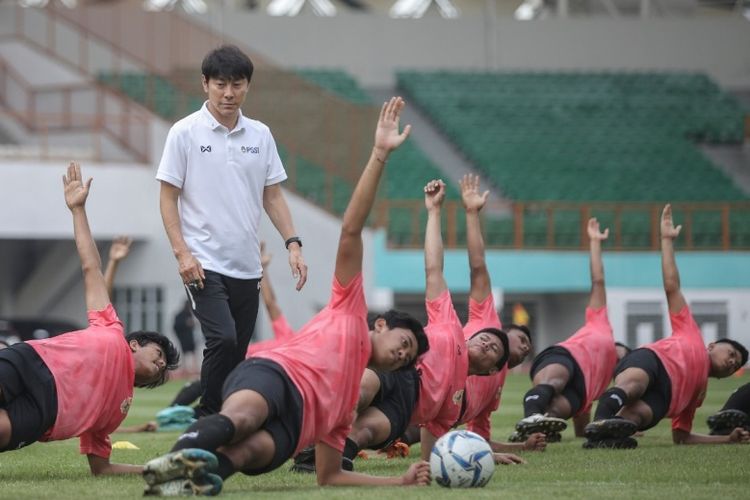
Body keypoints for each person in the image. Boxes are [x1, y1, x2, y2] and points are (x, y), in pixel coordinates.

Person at [141, 97, 431, 496]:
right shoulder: (349, 311)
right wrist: (379, 154)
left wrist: (398, 479)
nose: (403, 355)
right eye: (405, 343)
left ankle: (195, 480)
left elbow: (330, 476)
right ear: (380, 325)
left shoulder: (349, 404)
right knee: (245, 416)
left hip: (298, 419)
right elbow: (351, 229)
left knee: (258, 450)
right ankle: (180, 454)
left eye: (407, 358)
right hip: (277, 375)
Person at [156, 44, 307, 417]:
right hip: (203, 263)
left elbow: (272, 196)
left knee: (237, 350)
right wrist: (182, 253)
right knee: (221, 339)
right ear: (204, 84)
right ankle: (207, 420)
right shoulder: (184, 133)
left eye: (236, 84)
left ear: (247, 87)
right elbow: (167, 197)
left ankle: (226, 422)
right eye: (220, 84)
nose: (228, 93)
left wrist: (293, 244)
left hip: (247, 265)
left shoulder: (260, 135)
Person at [0, 162, 179, 475]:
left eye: (162, 370)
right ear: (134, 344)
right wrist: (78, 210)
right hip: (31, 363)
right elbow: (89, 268)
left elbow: (101, 468)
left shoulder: (117, 410)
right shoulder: (111, 327)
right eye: (160, 354)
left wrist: (153, 470)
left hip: (46, 412)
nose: (161, 364)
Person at [584, 204, 749, 448]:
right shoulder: (690, 329)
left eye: (735, 364)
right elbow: (672, 286)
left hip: (666, 397)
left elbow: (681, 437)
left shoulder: (698, 395)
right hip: (655, 362)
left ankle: (605, 438)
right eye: (732, 353)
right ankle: (599, 424)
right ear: (712, 345)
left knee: (639, 416)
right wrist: (666, 239)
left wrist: (728, 439)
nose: (732, 361)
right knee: (633, 386)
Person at [455, 174, 541, 456]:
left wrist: (522, 446)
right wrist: (471, 214)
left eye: (527, 348)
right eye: (521, 338)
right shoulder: (484, 319)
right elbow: (478, 266)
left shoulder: (495, 389)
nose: (525, 346)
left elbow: (478, 439)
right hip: (425, 390)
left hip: (437, 417)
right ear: (502, 332)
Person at [512, 218, 618, 443]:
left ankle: (536, 432)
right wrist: (595, 243)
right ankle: (530, 417)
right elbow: (598, 280)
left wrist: (603, 430)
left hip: (582, 390)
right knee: (553, 384)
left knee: (556, 414)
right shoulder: (600, 321)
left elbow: (582, 423)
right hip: (567, 356)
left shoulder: (603, 381)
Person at [173, 300, 198, 377]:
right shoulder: (180, 315)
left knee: (192, 354)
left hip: (189, 338)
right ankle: (186, 370)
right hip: (184, 338)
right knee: (186, 354)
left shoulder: (189, 314)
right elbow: (176, 326)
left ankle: (193, 369)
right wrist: (187, 323)